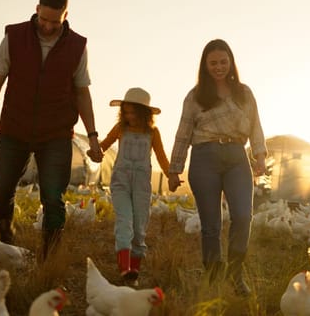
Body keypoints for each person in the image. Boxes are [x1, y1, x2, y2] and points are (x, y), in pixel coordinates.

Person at [0, 0, 103, 261]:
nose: (49, 26)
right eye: (45, 19)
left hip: (56, 134)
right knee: (2, 189)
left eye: (56, 21)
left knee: (53, 198)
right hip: (14, 129)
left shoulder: (77, 46)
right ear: (37, 9)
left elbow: (82, 93)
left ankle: (49, 259)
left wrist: (93, 136)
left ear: (66, 16)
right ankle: (7, 235)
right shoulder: (14, 37)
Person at [167, 39, 267, 295]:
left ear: (231, 62)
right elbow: (183, 133)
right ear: (205, 65)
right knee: (211, 224)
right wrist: (174, 168)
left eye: (224, 61)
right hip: (204, 157)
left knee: (243, 216)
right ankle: (212, 276)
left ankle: (235, 274)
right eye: (213, 63)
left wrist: (259, 156)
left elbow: (256, 126)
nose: (219, 67)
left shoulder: (244, 93)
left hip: (237, 157)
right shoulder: (195, 95)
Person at [99, 87, 170, 285]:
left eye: (133, 112)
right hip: (120, 180)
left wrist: (171, 175)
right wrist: (96, 151)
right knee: (125, 221)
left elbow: (162, 157)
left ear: (143, 113)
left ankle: (134, 272)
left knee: (139, 226)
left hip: (141, 184)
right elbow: (104, 145)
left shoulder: (153, 133)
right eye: (126, 111)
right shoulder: (121, 129)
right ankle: (124, 268)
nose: (129, 116)